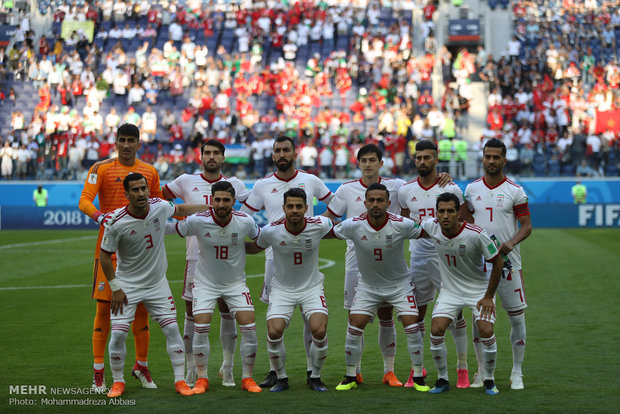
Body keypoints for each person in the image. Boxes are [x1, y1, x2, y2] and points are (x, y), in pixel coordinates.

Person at [100, 172, 209, 397]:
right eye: (136, 190)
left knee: (171, 329)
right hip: (127, 286)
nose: (141, 193)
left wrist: (207, 207)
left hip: (157, 284)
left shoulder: (159, 206)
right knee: (119, 334)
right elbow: (104, 255)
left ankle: (180, 381)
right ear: (126, 194)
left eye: (144, 189)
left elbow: (178, 210)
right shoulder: (116, 222)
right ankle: (118, 382)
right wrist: (115, 287)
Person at [240, 136, 333, 389]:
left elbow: (335, 206)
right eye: (277, 150)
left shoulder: (311, 180)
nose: (282, 154)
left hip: (305, 252)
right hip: (274, 257)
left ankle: (311, 371)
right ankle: (274, 372)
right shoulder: (262, 185)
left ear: (295, 153)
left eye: (286, 150)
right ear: (272, 155)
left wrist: (314, 229)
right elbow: (244, 217)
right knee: (275, 322)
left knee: (311, 322)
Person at [79, 123, 164, 391]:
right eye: (121, 140)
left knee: (141, 309)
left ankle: (141, 366)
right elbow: (84, 201)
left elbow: (159, 204)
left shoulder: (149, 172)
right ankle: (98, 371)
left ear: (139, 144)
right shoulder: (100, 169)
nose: (126, 145)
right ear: (115, 143)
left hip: (140, 252)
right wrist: (99, 216)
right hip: (109, 251)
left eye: (131, 140)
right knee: (104, 308)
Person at [162, 139, 250, 387]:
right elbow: (160, 202)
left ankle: (228, 367)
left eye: (216, 153)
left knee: (228, 311)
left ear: (223, 157)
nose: (211, 157)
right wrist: (193, 208)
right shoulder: (185, 180)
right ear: (200, 156)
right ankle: (192, 369)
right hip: (195, 257)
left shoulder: (236, 185)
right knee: (192, 316)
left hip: (226, 258)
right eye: (207, 153)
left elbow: (253, 206)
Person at [323, 143, 408, 386]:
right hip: (355, 263)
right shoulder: (346, 190)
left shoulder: (397, 187)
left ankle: (389, 371)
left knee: (386, 316)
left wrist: (443, 177)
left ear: (381, 163)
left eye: (373, 160)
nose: (368, 164)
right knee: (355, 319)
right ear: (358, 164)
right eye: (364, 160)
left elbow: (418, 196)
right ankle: (355, 371)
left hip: (388, 263)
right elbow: (329, 219)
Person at [331, 183, 430, 392]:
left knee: (412, 325)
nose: (375, 204)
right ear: (365, 203)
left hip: (400, 285)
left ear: (388, 203)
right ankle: (350, 375)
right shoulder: (352, 225)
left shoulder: (402, 224)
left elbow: (429, 232)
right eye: (372, 200)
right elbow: (326, 231)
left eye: (380, 200)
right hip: (368, 286)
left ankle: (419, 376)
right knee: (355, 324)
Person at [174, 181, 262, 394]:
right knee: (201, 326)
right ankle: (203, 378)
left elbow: (261, 239)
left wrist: (243, 249)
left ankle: (247, 378)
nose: (221, 204)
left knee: (249, 327)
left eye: (226, 200)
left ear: (233, 201)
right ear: (211, 201)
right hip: (205, 284)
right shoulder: (197, 221)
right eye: (218, 200)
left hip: (235, 284)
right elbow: (174, 228)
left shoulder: (245, 221)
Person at [460, 138, 532, 390]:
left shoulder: (515, 190)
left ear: (504, 160)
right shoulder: (470, 190)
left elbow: (527, 226)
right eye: (487, 156)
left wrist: (511, 242)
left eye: (496, 157)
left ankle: (517, 372)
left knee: (516, 318)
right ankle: (482, 372)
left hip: (509, 264)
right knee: (480, 320)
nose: (491, 161)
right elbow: (465, 219)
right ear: (482, 158)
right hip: (479, 265)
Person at [398, 140, 470, 388]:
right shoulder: (406, 191)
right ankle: (417, 369)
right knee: (416, 315)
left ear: (436, 159)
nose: (422, 162)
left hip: (447, 260)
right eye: (418, 158)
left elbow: (463, 224)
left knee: (455, 314)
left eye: (427, 157)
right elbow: (406, 226)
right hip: (418, 259)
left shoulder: (451, 189)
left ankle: (462, 368)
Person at [419, 192, 503, 396]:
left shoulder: (476, 233)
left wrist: (489, 297)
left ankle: (489, 380)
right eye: (441, 211)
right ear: (436, 214)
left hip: (478, 290)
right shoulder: (430, 226)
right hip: (450, 291)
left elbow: (498, 261)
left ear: (459, 213)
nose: (445, 216)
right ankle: (442, 379)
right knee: (436, 329)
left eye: (450, 211)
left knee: (485, 330)